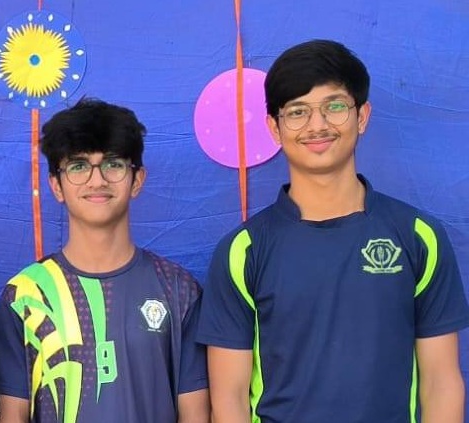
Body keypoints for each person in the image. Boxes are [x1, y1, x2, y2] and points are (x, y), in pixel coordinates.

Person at [197, 39, 469, 422]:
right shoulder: (244, 250)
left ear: (362, 116)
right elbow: (229, 400)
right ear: (274, 128)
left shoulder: (417, 235)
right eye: (298, 112)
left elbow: (441, 383)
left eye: (335, 106)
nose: (317, 125)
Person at [0, 98, 210, 423]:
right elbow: (12, 415)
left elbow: (196, 414)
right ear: (56, 185)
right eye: (78, 166)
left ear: (137, 179)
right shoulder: (24, 297)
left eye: (113, 164)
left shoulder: (179, 290)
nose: (97, 180)